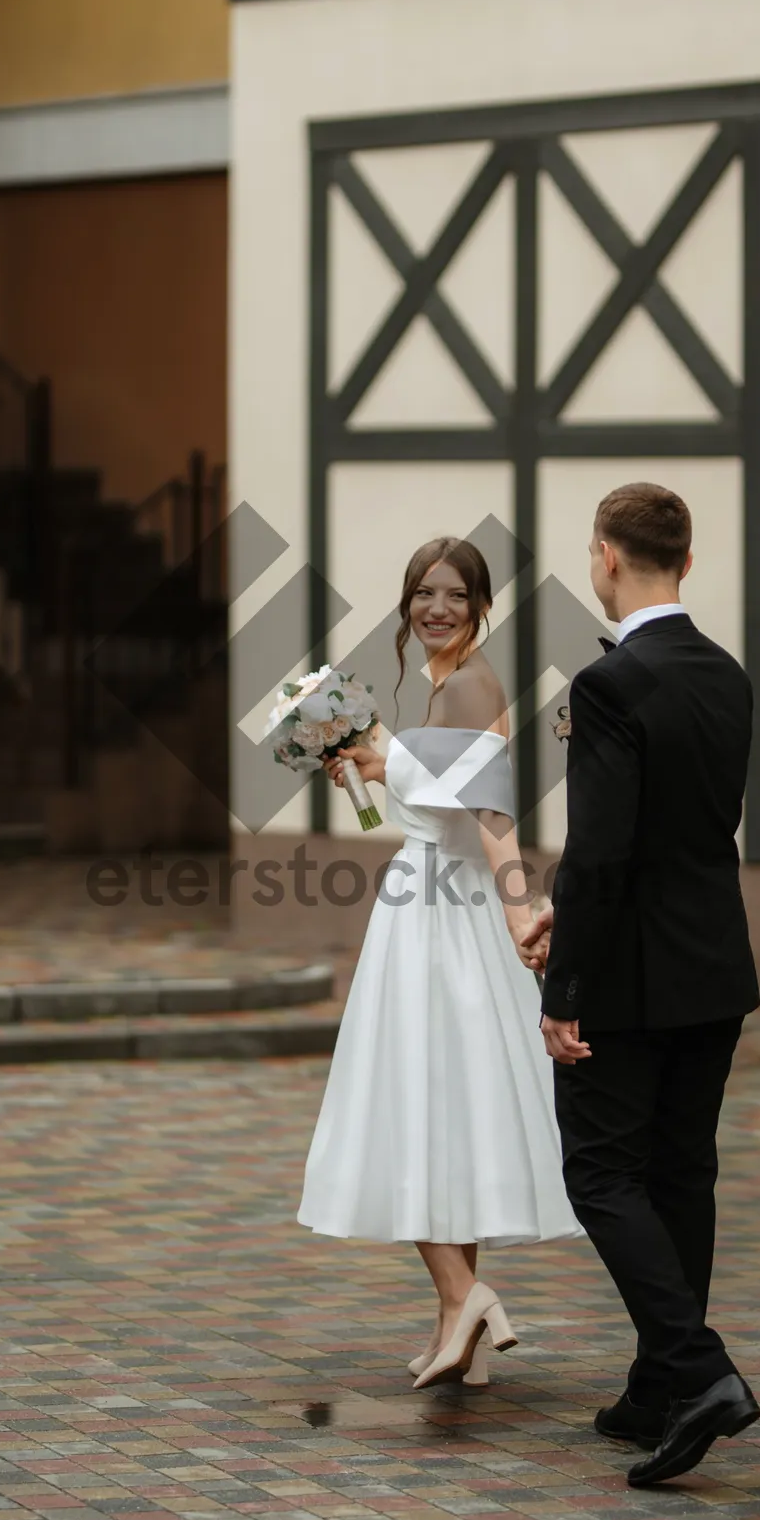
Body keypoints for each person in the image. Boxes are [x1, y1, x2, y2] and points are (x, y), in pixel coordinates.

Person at [298, 537, 582, 1388]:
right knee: (444, 1106)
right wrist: (376, 765)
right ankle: (452, 1321)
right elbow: (448, 796)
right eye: (423, 592)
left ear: (481, 604)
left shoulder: (469, 682)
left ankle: (468, 1292)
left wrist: (520, 907)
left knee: (412, 1100)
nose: (436, 607)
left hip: (439, 914)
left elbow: (492, 817)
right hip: (427, 904)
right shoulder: (444, 687)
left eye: (454, 594)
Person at [522, 483, 760, 1488]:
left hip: (627, 975)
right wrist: (561, 911)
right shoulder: (728, 673)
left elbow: (606, 849)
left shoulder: (610, 683)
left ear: (608, 560)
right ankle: (659, 1386)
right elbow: (682, 830)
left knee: (604, 1176)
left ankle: (699, 1371)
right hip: (715, 961)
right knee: (681, 1174)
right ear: (688, 564)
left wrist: (562, 982)